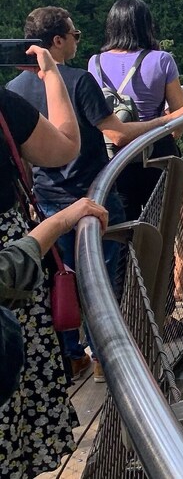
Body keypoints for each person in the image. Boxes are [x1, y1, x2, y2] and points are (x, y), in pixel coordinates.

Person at [8, 6, 183, 380]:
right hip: (92, 194)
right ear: (57, 41)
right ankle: (104, 359)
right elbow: (117, 132)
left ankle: (72, 354)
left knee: (61, 276)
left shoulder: (14, 90)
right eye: (74, 34)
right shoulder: (79, 81)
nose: (79, 41)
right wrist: (170, 119)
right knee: (104, 279)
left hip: (46, 199)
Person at [0, 45, 83, 476]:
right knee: (14, 388)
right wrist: (51, 74)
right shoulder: (3, 105)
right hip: (13, 263)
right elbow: (64, 148)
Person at [87, 0, 183, 309]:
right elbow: (179, 119)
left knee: (125, 232)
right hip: (158, 153)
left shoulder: (94, 64)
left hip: (114, 158)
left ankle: (126, 309)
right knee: (174, 226)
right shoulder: (161, 60)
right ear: (145, 25)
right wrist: (165, 121)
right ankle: (171, 297)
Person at [1, 198, 108, 406]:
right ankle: (99, 359)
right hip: (20, 278)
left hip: (25, 273)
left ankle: (78, 357)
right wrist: (61, 221)